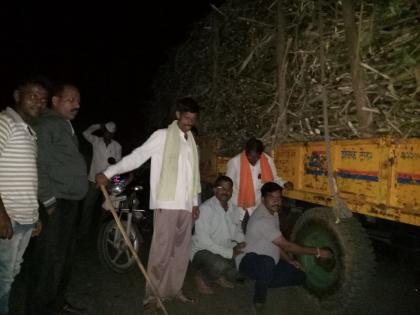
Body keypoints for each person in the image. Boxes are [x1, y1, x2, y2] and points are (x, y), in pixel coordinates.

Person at [96, 97, 201, 313]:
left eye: (193, 119)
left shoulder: (190, 140)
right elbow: (137, 157)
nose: (189, 122)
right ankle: (151, 297)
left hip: (186, 206)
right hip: (166, 202)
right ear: (178, 115)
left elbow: (193, 175)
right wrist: (108, 173)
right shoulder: (162, 136)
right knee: (161, 252)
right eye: (186, 118)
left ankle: (173, 290)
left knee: (180, 252)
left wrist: (195, 202)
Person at [26, 83, 89, 315]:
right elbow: (37, 164)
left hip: (69, 202)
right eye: (71, 99)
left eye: (78, 100)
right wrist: (49, 200)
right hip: (56, 203)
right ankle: (38, 309)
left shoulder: (64, 125)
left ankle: (57, 303)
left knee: (64, 259)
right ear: (55, 100)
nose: (77, 105)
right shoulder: (46, 125)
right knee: (48, 263)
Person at [237, 182, 332, 309]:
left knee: (300, 276)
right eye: (272, 198)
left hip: (269, 263)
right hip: (248, 261)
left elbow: (277, 243)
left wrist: (290, 260)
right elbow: (286, 245)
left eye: (279, 198)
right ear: (263, 199)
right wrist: (318, 251)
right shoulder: (261, 219)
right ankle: (259, 300)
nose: (276, 201)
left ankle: (262, 279)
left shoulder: (273, 213)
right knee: (267, 262)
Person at [0, 76, 49, 315]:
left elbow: (29, 179)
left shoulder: (31, 132)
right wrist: (1, 215)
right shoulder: (4, 122)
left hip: (25, 218)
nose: (39, 102)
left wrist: (35, 215)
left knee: (12, 273)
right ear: (17, 95)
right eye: (33, 96)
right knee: (3, 277)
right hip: (9, 216)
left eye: (43, 99)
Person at [191, 175, 245, 295]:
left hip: (224, 249)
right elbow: (203, 241)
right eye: (222, 188)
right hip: (203, 251)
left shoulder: (234, 209)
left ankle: (219, 276)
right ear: (214, 190)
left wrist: (243, 243)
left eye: (229, 189)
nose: (225, 192)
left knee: (240, 271)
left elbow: (237, 230)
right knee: (221, 264)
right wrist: (230, 253)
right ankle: (201, 278)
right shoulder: (205, 209)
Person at [226, 138, 293, 230]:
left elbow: (274, 178)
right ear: (246, 151)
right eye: (250, 156)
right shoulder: (235, 162)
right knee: (240, 232)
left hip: (258, 204)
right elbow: (227, 184)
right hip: (240, 205)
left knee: (256, 231)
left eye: (257, 157)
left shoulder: (267, 160)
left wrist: (284, 183)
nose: (253, 160)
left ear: (261, 154)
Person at [79, 122, 121, 237]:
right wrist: (98, 126)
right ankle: (83, 231)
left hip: (108, 181)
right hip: (93, 179)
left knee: (107, 207)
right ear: (104, 132)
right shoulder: (96, 141)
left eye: (112, 134)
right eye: (107, 132)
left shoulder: (117, 146)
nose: (109, 135)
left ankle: (103, 232)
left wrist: (116, 184)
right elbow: (85, 133)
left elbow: (118, 166)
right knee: (88, 206)